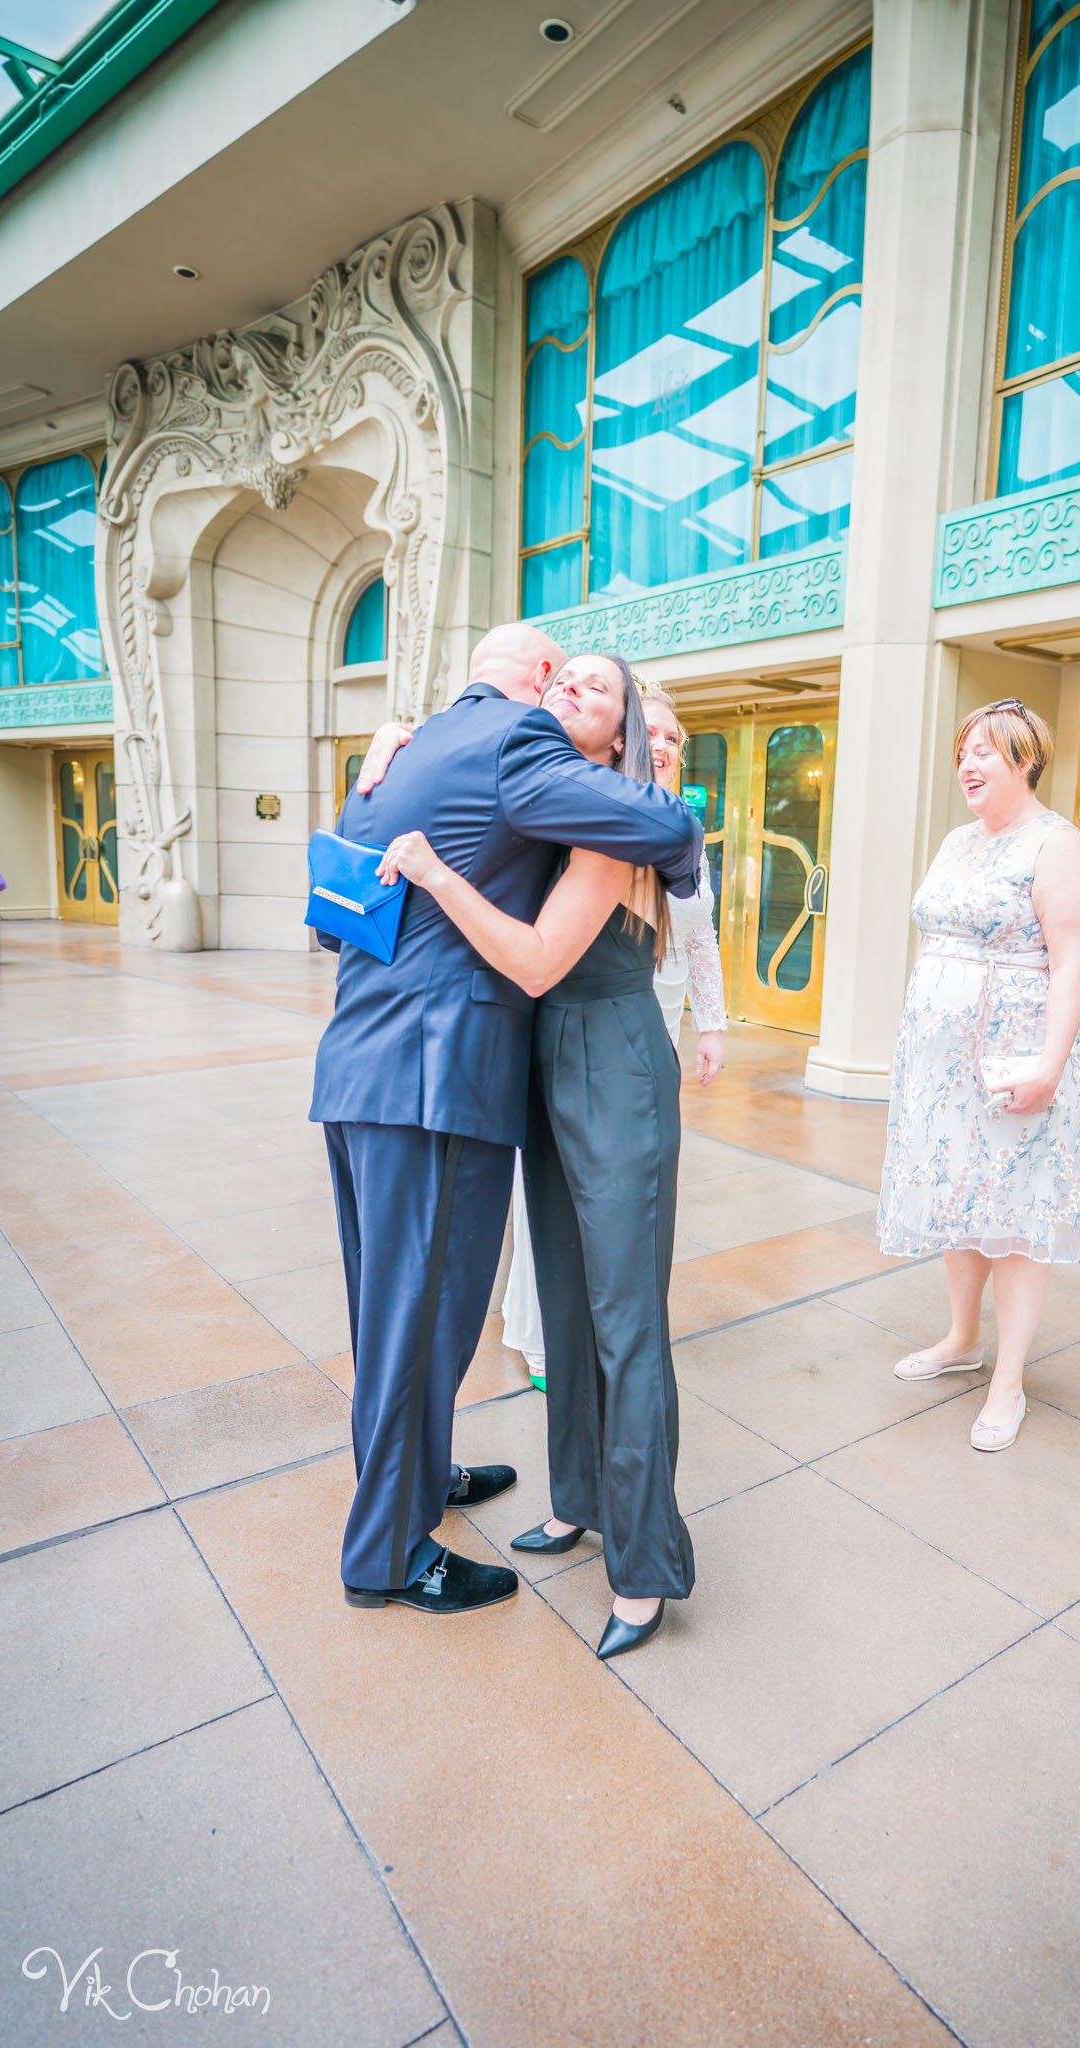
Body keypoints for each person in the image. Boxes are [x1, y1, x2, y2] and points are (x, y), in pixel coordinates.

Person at [310, 624, 704, 1618]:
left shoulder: (410, 756)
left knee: (411, 1311)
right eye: (561, 676)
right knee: (426, 1312)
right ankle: (390, 1550)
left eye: (593, 686)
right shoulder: (509, 750)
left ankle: (432, 1488)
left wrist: (383, 788)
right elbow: (654, 837)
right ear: (533, 684)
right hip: (437, 1077)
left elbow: (331, 914)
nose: (568, 690)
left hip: (381, 1065)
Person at [877, 697, 1080, 1453]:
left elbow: (1073, 967)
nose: (967, 765)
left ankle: (1009, 1381)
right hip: (945, 1064)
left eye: (984, 752)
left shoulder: (1057, 845)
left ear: (1025, 760)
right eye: (962, 752)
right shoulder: (956, 841)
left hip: (1017, 1056)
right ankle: (961, 1339)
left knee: (1014, 1216)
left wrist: (1048, 1065)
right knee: (959, 1196)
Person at [500, 682, 726, 1388]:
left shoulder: (677, 828)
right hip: (582, 1019)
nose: (663, 746)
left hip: (652, 1023)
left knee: (624, 1213)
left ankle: (617, 1342)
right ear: (623, 741)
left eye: (674, 739)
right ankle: (542, 1337)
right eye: (651, 732)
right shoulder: (596, 817)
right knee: (560, 1201)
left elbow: (701, 939)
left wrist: (711, 1024)